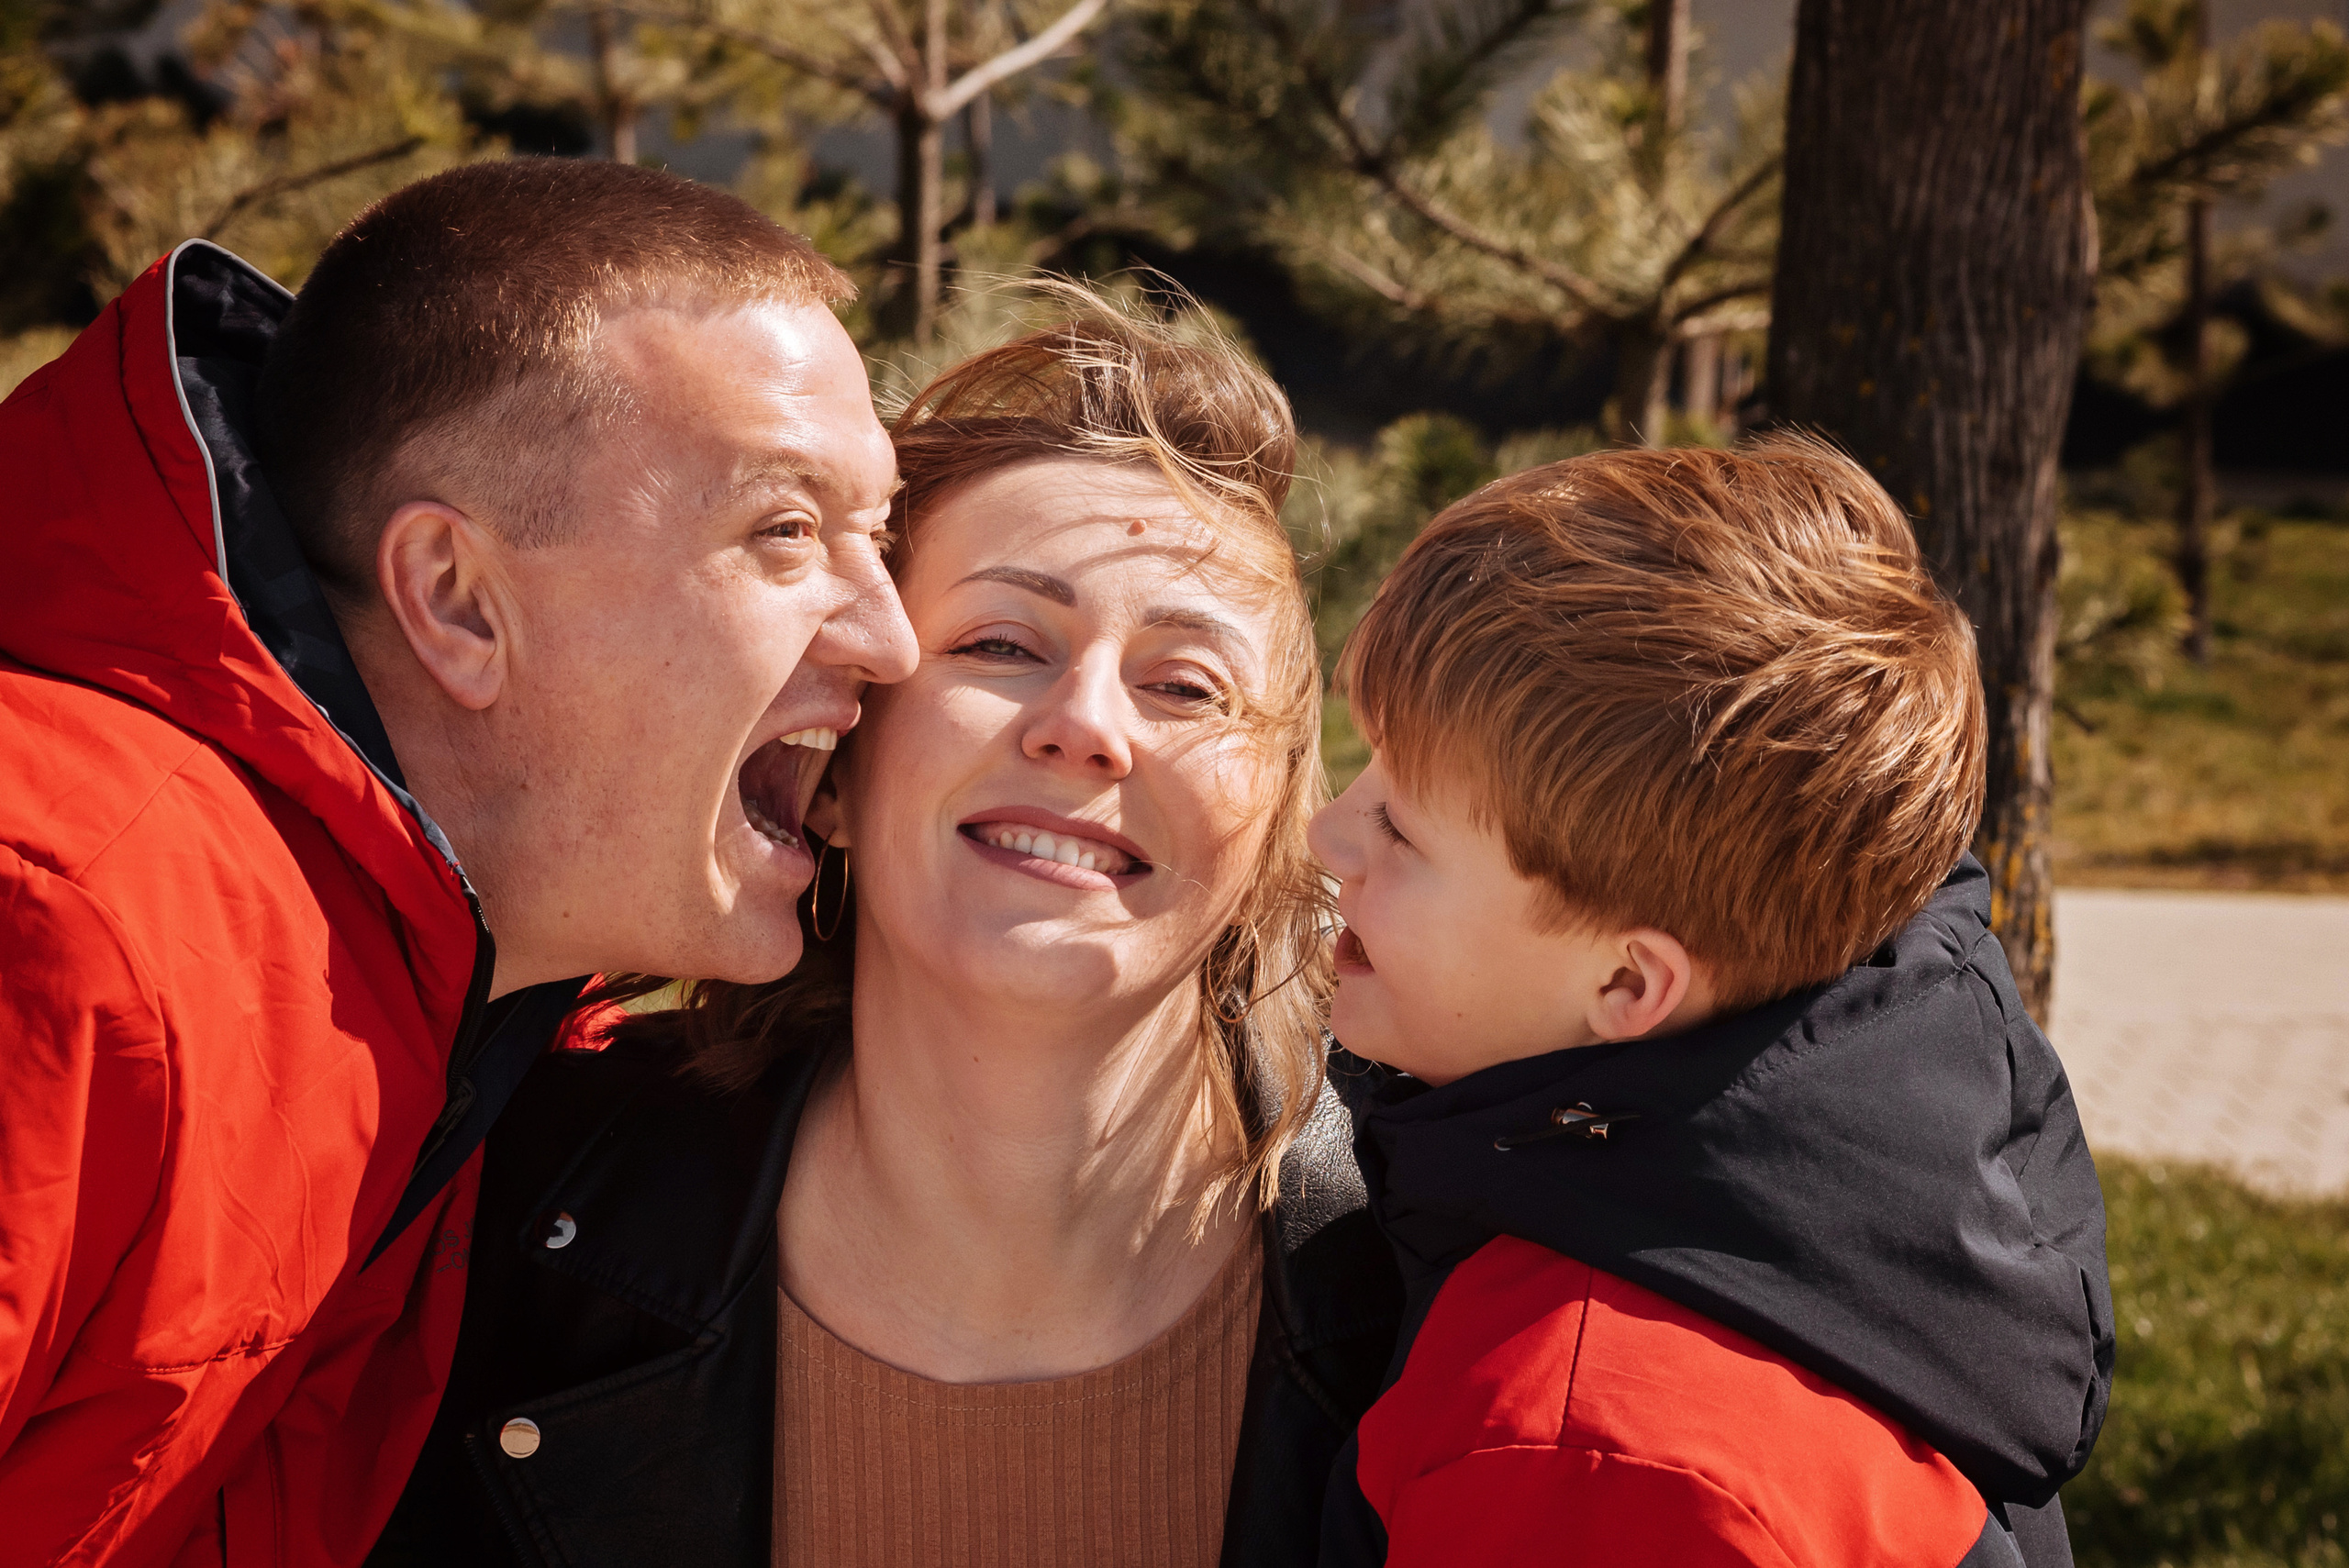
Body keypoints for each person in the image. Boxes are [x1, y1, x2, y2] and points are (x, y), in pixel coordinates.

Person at [382, 312, 2110, 1568]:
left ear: (1286, 806)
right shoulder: (505, 1215)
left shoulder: (1477, 1312)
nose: (1088, 725)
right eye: (999, 642)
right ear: (846, 742)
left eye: (1186, 680)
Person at [0, 158, 915, 1568]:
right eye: (786, 531)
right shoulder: (64, 919)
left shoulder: (484, 1016)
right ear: (455, 599)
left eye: (883, 539)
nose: (889, 640)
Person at [1307, 439, 2114, 1566]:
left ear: (1630, 983)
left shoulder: (1582, 1452)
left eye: (1401, 824)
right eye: (1367, 768)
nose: (1328, 831)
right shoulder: (1878, 1194)